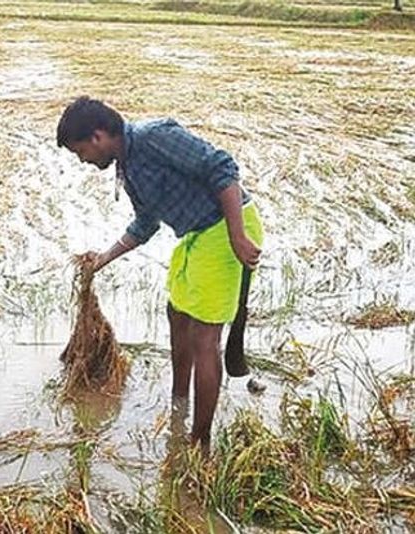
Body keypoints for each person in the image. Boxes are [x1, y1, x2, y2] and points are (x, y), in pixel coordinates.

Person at [56, 96, 264, 448]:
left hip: (224, 230)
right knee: (176, 314)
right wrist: (103, 259)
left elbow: (222, 168)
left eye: (81, 153)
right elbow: (145, 223)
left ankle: (199, 443)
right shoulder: (127, 167)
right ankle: (179, 405)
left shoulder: (154, 137)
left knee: (204, 338)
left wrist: (237, 235)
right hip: (197, 235)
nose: (84, 162)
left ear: (97, 137)